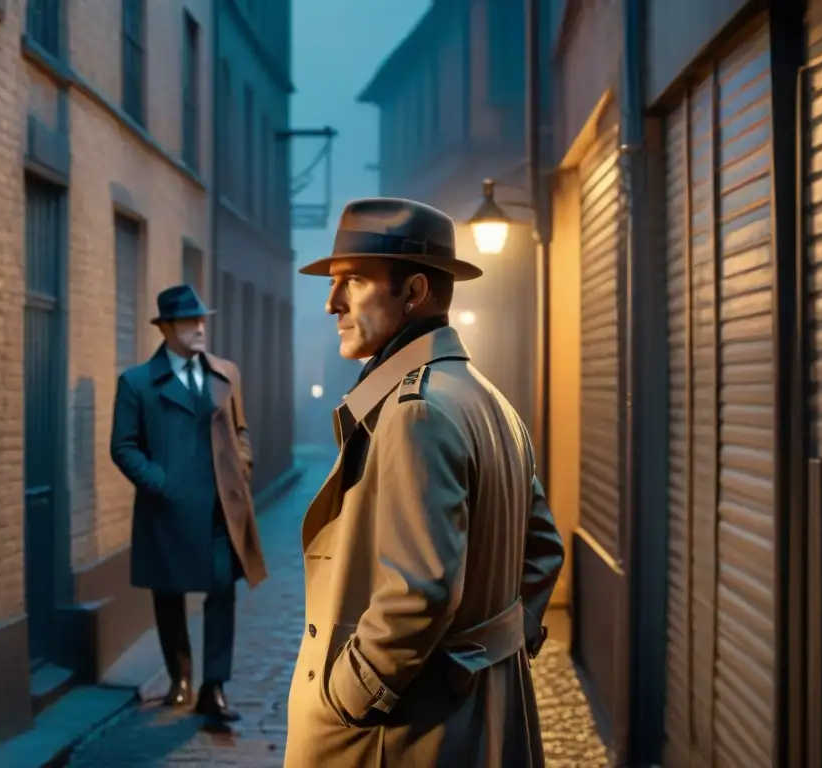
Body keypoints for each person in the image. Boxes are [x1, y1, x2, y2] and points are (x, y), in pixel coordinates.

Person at [285, 198, 565, 767]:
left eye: (354, 281)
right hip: (478, 720)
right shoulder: (489, 400)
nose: (331, 302)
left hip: (403, 735)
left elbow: (419, 591)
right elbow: (543, 552)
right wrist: (495, 651)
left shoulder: (419, 411)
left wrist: (352, 695)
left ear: (413, 292)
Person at [110, 283, 266, 723]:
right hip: (168, 508)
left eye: (201, 319)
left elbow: (240, 428)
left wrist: (243, 465)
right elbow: (123, 446)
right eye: (188, 321)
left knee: (222, 591)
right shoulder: (137, 383)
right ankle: (180, 677)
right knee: (169, 592)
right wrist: (161, 483)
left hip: (221, 509)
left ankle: (214, 686)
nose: (199, 328)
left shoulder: (226, 373)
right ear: (167, 329)